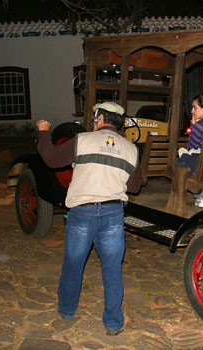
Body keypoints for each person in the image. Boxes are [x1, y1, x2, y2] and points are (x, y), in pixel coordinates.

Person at [35, 101, 141, 336]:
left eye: (95, 118)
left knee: (74, 263)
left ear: (101, 118)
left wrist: (43, 133)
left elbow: (51, 159)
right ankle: (113, 323)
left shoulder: (82, 140)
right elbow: (134, 186)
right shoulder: (131, 149)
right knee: (112, 269)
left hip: (82, 212)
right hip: (113, 214)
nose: (93, 122)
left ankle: (66, 310)